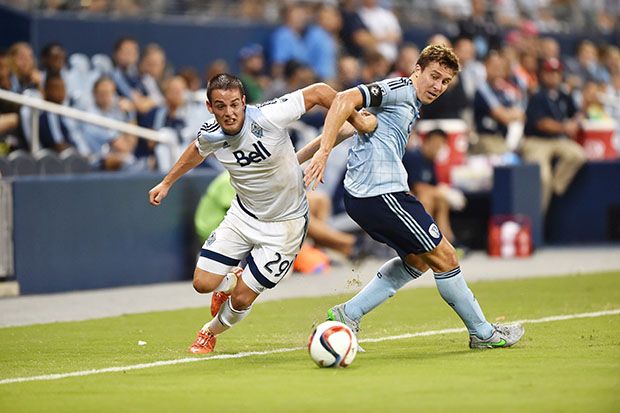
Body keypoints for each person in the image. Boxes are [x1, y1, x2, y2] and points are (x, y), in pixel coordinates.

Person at [302, 44, 525, 350]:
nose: (438, 86)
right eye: (434, 76)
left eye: (445, 82)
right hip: (379, 194)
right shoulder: (399, 88)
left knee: (418, 261)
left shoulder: (408, 104)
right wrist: (324, 153)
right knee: (445, 256)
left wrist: (297, 158)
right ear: (416, 70)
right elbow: (343, 99)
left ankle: (347, 313)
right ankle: (482, 333)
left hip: (375, 195)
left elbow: (351, 123)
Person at [148, 73, 375, 354]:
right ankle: (229, 281)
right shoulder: (211, 134)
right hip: (243, 216)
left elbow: (320, 92)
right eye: (220, 106)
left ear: (244, 102)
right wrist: (167, 182)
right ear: (209, 107)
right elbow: (197, 150)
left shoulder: (269, 115)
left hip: (286, 226)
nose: (229, 112)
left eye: (234, 104)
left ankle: (209, 332)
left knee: (242, 299)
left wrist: (354, 122)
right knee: (202, 283)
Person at [522, 57, 587, 213]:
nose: (553, 76)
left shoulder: (563, 95)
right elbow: (542, 123)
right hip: (536, 141)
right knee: (542, 178)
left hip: (557, 140)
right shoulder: (536, 95)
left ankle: (556, 189)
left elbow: (578, 113)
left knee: (578, 155)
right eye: (549, 72)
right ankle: (538, 220)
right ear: (542, 74)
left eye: (556, 73)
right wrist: (565, 127)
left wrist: (576, 121)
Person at [403, 129, 466, 248]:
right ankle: (424, 240)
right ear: (427, 141)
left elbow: (433, 186)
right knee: (427, 198)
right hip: (405, 196)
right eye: (436, 144)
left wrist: (443, 193)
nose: (438, 149)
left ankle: (446, 241)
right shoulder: (413, 156)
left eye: (441, 145)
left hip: (422, 196)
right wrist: (444, 192)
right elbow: (418, 187)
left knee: (441, 201)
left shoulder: (430, 161)